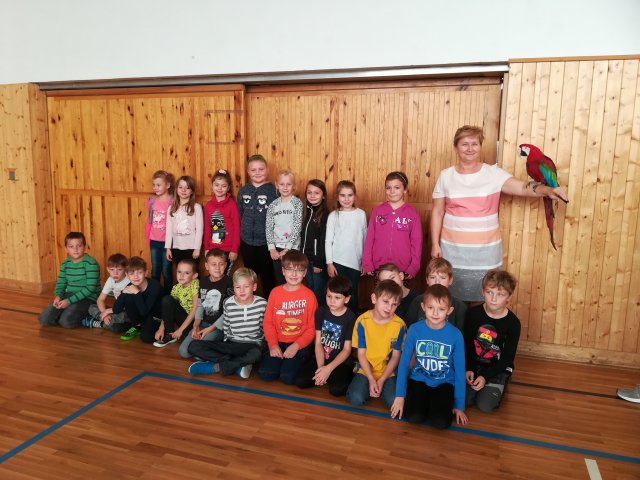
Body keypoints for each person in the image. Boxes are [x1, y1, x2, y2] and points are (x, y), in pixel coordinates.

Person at [430, 125, 569, 302]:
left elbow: (522, 187)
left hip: (486, 252)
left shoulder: (493, 173)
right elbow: (437, 211)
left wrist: (549, 190)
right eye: (465, 144)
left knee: (485, 300)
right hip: (452, 251)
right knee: (451, 301)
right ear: (456, 147)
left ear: (480, 146)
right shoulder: (445, 176)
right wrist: (435, 244)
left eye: (474, 144)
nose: (470, 148)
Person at [391, 285, 467, 429]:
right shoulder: (414, 329)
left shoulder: (456, 335)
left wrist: (459, 405)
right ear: (423, 307)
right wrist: (400, 395)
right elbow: (404, 363)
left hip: (444, 382)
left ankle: (436, 404)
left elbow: (459, 370)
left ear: (449, 311)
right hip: (419, 379)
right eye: (431, 307)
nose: (435, 313)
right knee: (414, 417)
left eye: (441, 309)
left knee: (441, 423)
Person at [188, 268, 267, 378]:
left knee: (256, 354)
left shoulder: (262, 304)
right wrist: (225, 345)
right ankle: (238, 364)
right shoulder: (228, 303)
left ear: (254, 287)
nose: (242, 291)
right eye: (238, 287)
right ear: (233, 288)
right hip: (231, 344)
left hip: (251, 345)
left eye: (246, 286)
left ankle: (216, 367)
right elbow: (227, 325)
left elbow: (266, 327)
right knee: (193, 346)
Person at [465, 269, 521, 413]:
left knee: (485, 405)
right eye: (489, 292)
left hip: (498, 368)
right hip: (475, 365)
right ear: (483, 292)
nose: (493, 299)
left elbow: (507, 357)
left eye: (500, 294)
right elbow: (468, 345)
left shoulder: (513, 323)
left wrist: (485, 376)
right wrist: (469, 368)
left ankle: (503, 382)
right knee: (465, 399)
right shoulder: (472, 314)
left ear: (509, 297)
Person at [259, 251, 318, 385]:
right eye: (290, 269)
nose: (294, 274)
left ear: (304, 273)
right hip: (278, 342)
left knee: (288, 377)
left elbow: (312, 328)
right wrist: (273, 345)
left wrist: (296, 346)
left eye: (299, 270)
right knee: (266, 374)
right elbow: (268, 322)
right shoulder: (275, 293)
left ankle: (305, 359)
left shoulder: (309, 296)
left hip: (299, 344)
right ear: (283, 271)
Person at [346, 279, 406, 408]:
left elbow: (396, 356)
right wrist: (371, 379)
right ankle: (369, 386)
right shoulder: (362, 321)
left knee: (393, 401)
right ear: (374, 299)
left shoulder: (399, 325)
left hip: (388, 372)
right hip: (365, 370)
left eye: (394, 304)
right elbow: (361, 354)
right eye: (385, 301)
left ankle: (379, 387)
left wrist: (382, 379)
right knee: (356, 398)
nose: (389, 308)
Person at [295, 275, 356, 396]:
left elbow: (347, 349)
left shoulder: (351, 317)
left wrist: (328, 369)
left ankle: (334, 375)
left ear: (347, 299)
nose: (332, 301)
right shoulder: (320, 312)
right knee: (300, 381)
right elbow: (318, 343)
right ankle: (324, 377)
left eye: (337, 297)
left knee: (337, 390)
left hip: (340, 361)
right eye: (329, 296)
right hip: (321, 357)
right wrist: (321, 368)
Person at [363, 171, 422, 279]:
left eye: (397, 187)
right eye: (388, 188)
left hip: (403, 269)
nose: (392, 191)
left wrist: (413, 267)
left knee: (400, 291)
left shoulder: (412, 213)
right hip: (379, 268)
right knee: (381, 291)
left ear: (405, 189)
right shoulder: (377, 211)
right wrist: (367, 263)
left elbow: (417, 242)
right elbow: (369, 238)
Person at [39, 231, 101, 329]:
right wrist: (58, 296)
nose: (75, 249)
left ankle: (91, 316)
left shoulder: (91, 263)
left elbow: (90, 288)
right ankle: (69, 311)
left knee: (66, 322)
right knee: (44, 319)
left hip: (88, 298)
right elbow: (61, 283)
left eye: (79, 246)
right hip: (69, 295)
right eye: (71, 246)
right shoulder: (65, 264)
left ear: (84, 247)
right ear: (66, 249)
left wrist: (69, 301)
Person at [178, 249, 232, 358]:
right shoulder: (203, 281)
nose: (217, 268)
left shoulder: (229, 282)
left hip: (218, 327)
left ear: (226, 265)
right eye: (213, 264)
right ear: (207, 265)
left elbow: (228, 312)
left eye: (221, 264)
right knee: (183, 352)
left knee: (198, 354)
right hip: (202, 324)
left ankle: (223, 347)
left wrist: (210, 329)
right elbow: (200, 305)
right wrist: (196, 325)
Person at [238, 154, 278, 298]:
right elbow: (240, 213)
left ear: (267, 170)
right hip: (247, 241)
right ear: (248, 172)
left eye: (261, 169)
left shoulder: (273, 191)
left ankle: (269, 304)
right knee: (250, 277)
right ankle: (250, 304)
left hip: (267, 242)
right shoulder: (243, 190)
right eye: (253, 170)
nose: (257, 173)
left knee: (268, 276)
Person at [325, 180, 367, 314]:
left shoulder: (361, 214)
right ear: (337, 197)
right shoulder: (333, 216)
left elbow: (365, 238)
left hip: (355, 263)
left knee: (352, 294)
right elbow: (328, 241)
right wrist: (329, 263)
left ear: (355, 196)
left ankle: (352, 321)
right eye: (343, 195)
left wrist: (365, 261)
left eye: (350, 195)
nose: (346, 199)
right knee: (337, 293)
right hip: (337, 263)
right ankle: (337, 320)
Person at [405, 257, 466, 331]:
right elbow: (409, 329)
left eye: (442, 278)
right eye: (433, 277)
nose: (437, 281)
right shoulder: (417, 301)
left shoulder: (459, 306)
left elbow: (459, 334)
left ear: (450, 280)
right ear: (427, 280)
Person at [266, 169, 303, 286]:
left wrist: (287, 249)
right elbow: (268, 227)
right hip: (276, 249)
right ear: (277, 185)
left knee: (292, 278)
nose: (285, 187)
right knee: (279, 280)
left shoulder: (297, 203)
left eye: (288, 184)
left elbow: (297, 227)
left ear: (293, 186)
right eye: (282, 184)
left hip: (292, 248)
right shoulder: (273, 205)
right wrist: (272, 249)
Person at [113, 256, 163, 342]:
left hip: (156, 316)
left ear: (146, 273)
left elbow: (144, 311)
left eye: (139, 272)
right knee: (128, 296)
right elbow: (116, 310)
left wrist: (137, 293)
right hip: (142, 315)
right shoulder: (129, 286)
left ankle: (145, 327)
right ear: (127, 275)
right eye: (132, 273)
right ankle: (137, 326)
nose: (135, 276)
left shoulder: (155, 286)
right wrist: (123, 293)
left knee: (146, 337)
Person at [153, 258, 199, 347]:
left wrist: (180, 330)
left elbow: (195, 309)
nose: (181, 275)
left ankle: (184, 333)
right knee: (167, 299)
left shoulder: (195, 284)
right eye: (179, 272)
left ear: (194, 276)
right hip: (182, 319)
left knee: (188, 343)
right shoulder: (176, 288)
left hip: (192, 322)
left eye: (186, 273)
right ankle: (169, 334)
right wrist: (161, 328)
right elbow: (167, 309)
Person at [203, 169, 240, 274]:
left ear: (228, 188)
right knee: (214, 275)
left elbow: (237, 228)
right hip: (212, 249)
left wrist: (234, 249)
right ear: (212, 186)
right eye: (217, 185)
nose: (220, 188)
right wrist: (206, 248)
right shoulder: (208, 206)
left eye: (223, 186)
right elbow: (207, 228)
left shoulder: (232, 205)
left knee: (224, 276)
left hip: (228, 249)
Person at [82, 253, 131, 333]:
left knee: (118, 324)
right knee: (92, 307)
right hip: (115, 310)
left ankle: (100, 323)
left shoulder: (129, 280)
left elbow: (129, 306)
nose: (115, 273)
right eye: (112, 270)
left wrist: (108, 311)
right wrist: (105, 314)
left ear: (125, 269)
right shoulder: (110, 280)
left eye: (119, 270)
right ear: (108, 269)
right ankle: (105, 320)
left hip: (127, 310)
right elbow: (100, 300)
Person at [300, 179, 329, 305]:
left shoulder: (325, 214)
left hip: (317, 261)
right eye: (309, 192)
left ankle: (320, 313)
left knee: (319, 290)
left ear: (323, 195)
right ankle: (312, 312)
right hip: (306, 259)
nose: (312, 195)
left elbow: (324, 240)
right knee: (310, 287)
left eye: (316, 193)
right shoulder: (305, 211)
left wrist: (319, 262)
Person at [146, 170, 175, 295]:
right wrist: (149, 238)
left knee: (166, 270)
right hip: (154, 241)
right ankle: (154, 295)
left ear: (167, 185)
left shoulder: (173, 201)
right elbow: (149, 221)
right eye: (154, 185)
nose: (155, 187)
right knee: (155, 270)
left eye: (158, 185)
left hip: (167, 243)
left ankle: (167, 297)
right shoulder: (152, 201)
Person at [165, 175, 203, 268]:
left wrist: (197, 248)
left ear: (192, 191)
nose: (183, 190)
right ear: (176, 189)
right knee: (181, 272)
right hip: (176, 248)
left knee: (192, 272)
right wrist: (168, 248)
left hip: (191, 248)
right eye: (180, 187)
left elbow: (199, 230)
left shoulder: (196, 207)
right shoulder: (171, 208)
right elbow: (169, 230)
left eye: (187, 188)